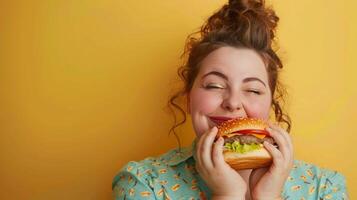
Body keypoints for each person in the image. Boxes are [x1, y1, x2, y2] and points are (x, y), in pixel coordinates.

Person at [112, 0, 348, 199]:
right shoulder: (143, 183)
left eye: (253, 90)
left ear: (271, 102)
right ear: (188, 96)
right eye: (215, 85)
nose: (233, 102)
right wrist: (228, 196)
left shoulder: (324, 187)